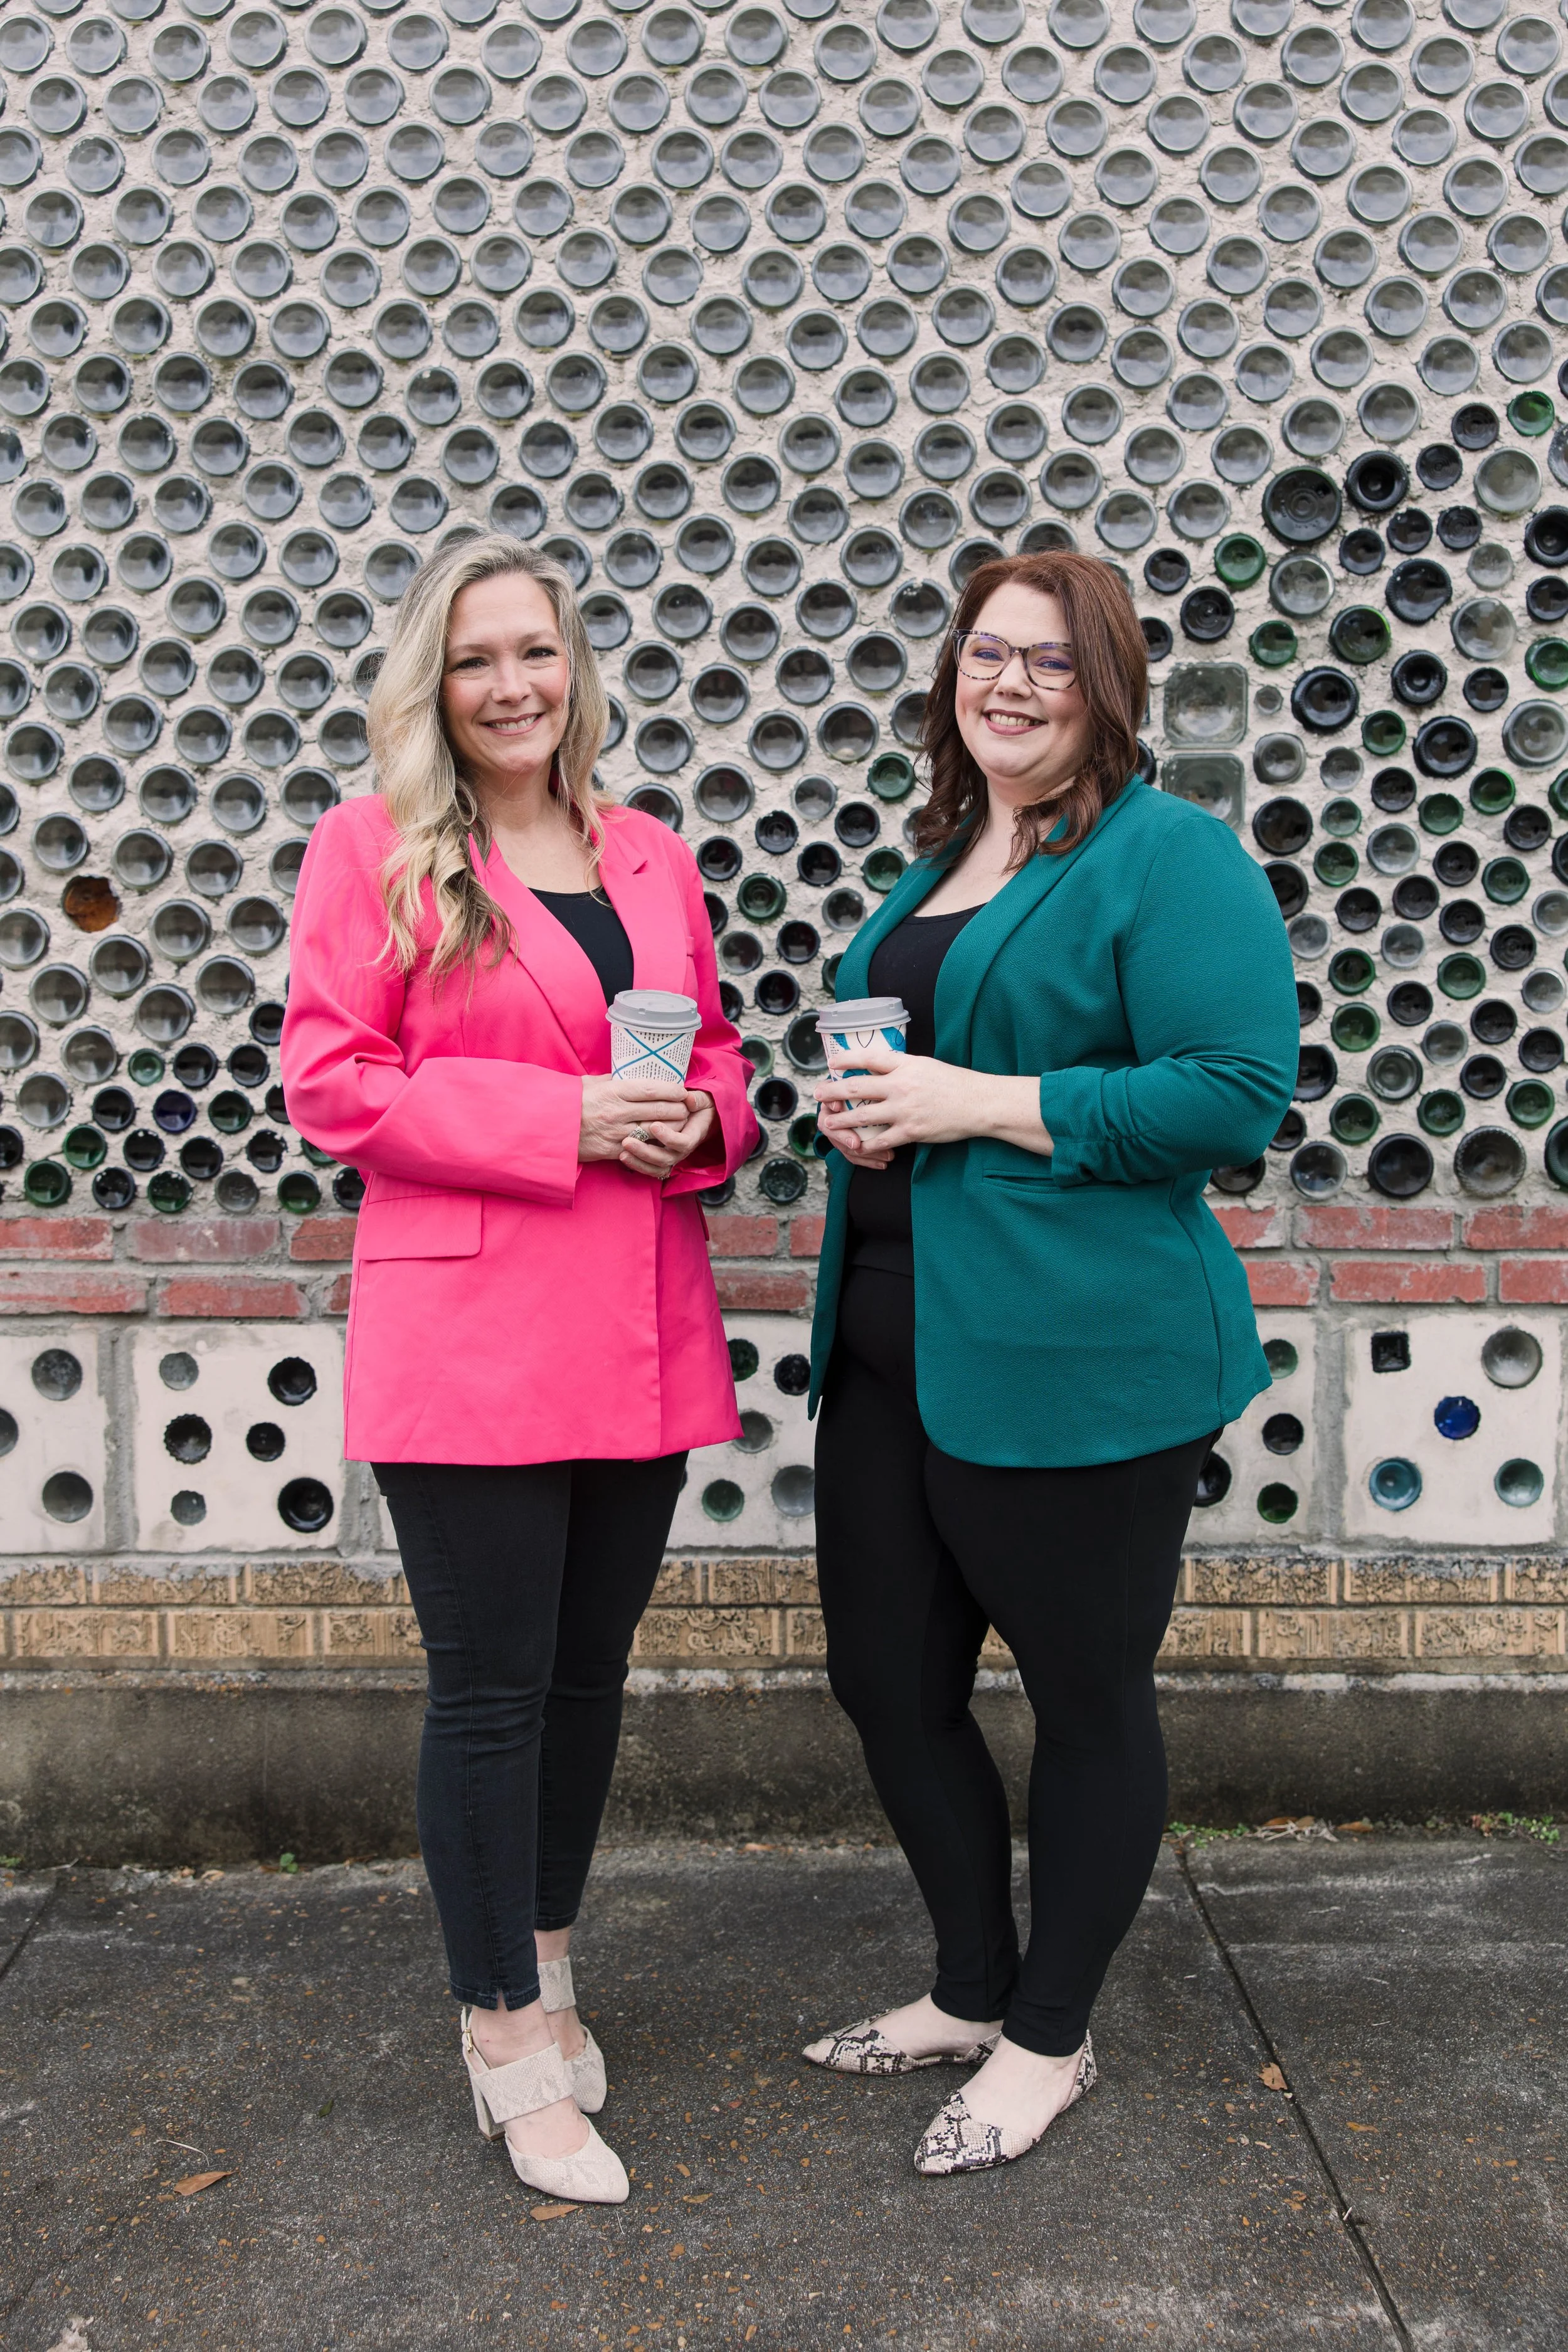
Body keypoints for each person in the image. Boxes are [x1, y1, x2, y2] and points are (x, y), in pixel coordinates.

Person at [802, 550, 1298, 2176]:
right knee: (887, 1682)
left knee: (1084, 1701)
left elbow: (1230, 1092)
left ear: (1108, 690)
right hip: (896, 1352)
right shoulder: (949, 855)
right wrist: (875, 1109)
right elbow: (929, 1074)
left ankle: (1047, 2036)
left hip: (1079, 1359)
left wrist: (978, 1103)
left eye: (1050, 662)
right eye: (983, 651)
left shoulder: (1170, 859)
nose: (1005, 680)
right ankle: (968, 1984)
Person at [280, 534, 758, 2203]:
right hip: (472, 1329)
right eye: (476, 657)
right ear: (435, 680)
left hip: (632, 1321)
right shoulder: (378, 849)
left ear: (574, 668)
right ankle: (501, 2035)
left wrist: (708, 1112)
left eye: (534, 652)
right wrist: (561, 1117)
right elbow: (332, 1081)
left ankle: (542, 1954)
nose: (510, 685)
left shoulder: (643, 854)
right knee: (488, 1690)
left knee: (583, 1679)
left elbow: (700, 1050)